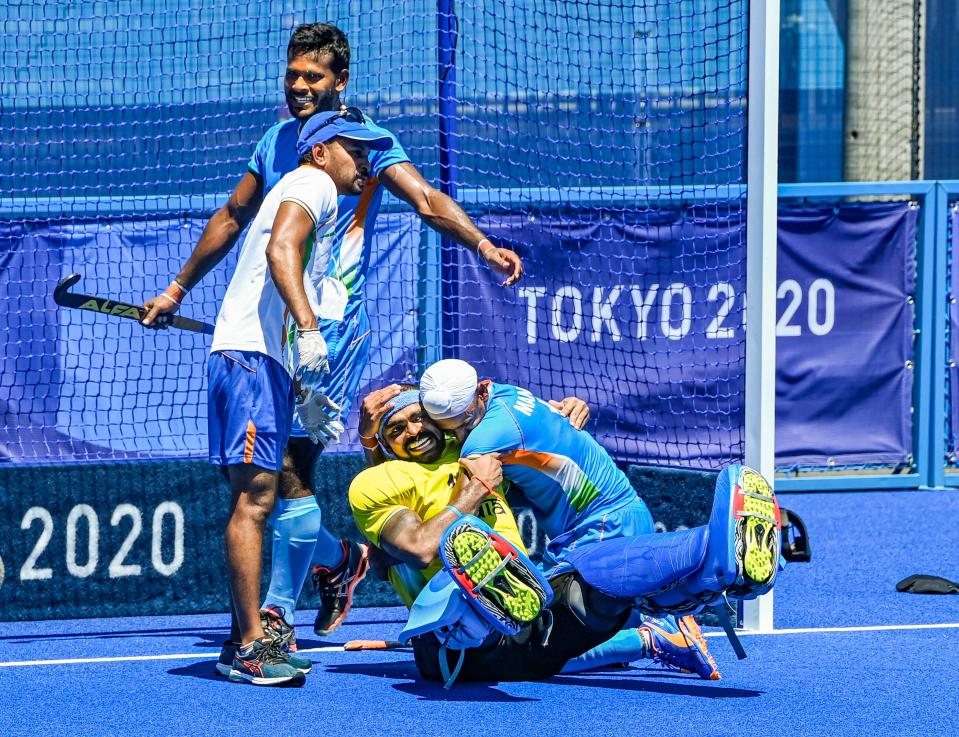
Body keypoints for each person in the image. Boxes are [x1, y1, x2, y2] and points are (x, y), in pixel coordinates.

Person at [141, 23, 525, 649]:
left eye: (312, 77)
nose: (298, 87)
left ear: (339, 81)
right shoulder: (275, 142)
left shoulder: (363, 144)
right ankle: (338, 562)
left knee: (288, 470)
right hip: (279, 330)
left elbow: (427, 199)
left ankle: (276, 617)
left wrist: (482, 244)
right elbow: (235, 216)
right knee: (252, 478)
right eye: (292, 75)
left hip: (332, 332)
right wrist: (178, 288)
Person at [349, 388, 782, 683]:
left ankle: (720, 560)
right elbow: (421, 548)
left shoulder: (473, 452)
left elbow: (527, 435)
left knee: (589, 577)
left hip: (528, 597)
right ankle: (661, 620)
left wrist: (558, 420)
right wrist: (470, 494)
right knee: (580, 599)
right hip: (456, 648)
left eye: (419, 418)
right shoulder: (375, 485)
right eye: (395, 430)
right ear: (383, 444)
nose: (412, 432)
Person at [188, 109, 393, 686]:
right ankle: (251, 644)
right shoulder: (313, 184)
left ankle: (245, 639)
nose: (368, 161)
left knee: (263, 495)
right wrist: (307, 329)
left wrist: (298, 383)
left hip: (263, 361)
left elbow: (283, 269)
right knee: (255, 500)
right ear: (322, 151)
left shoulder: (313, 187)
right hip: (251, 358)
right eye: (358, 150)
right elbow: (281, 251)